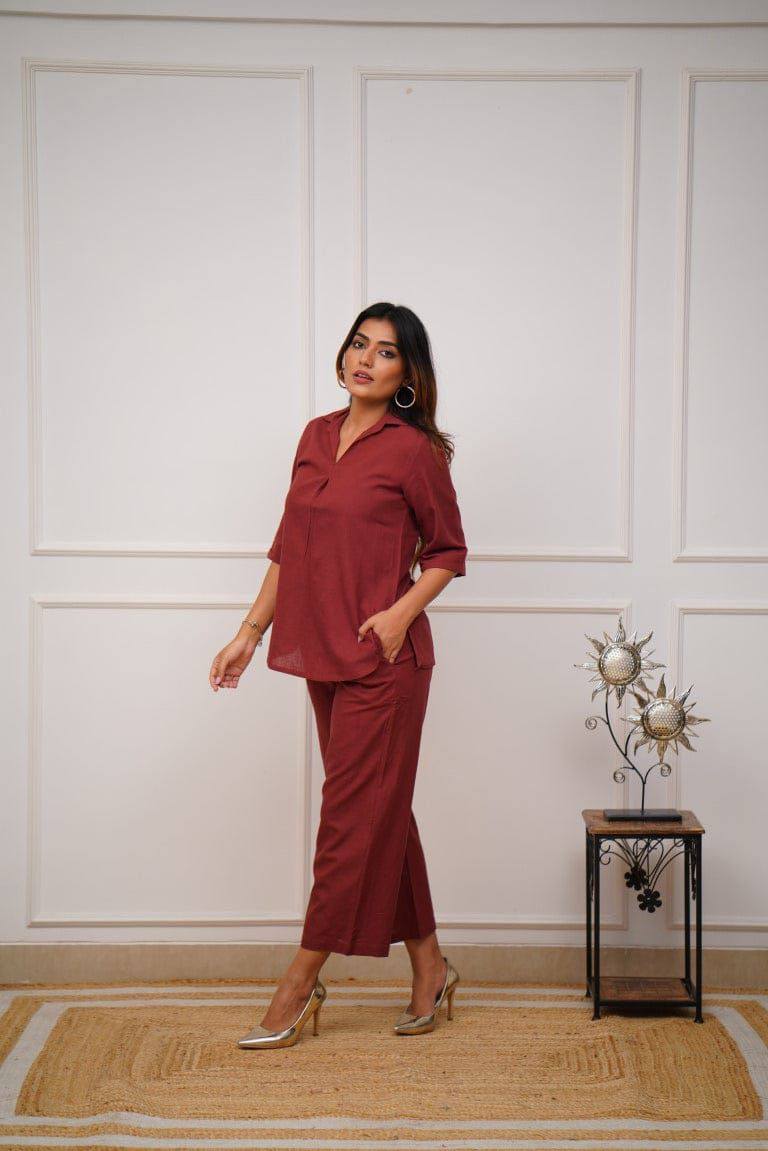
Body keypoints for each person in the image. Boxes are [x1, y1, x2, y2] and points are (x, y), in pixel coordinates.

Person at [209, 302, 467, 1049]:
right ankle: (432, 968)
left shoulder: (414, 451)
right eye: (359, 344)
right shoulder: (316, 435)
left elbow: (448, 552)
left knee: (351, 819)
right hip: (320, 652)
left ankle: (300, 980)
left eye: (385, 351)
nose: (365, 359)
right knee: (379, 811)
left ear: (407, 373)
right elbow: (288, 547)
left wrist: (398, 615)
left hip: (386, 663)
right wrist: (249, 633)